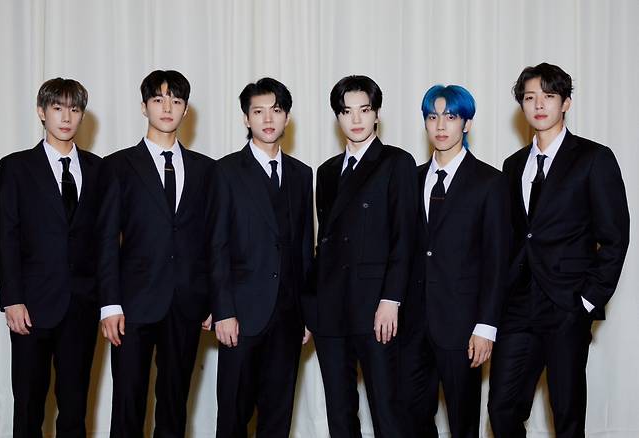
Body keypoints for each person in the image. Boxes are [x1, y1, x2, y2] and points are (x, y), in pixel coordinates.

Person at [488, 62, 630, 438]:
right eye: (530, 97)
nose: (539, 105)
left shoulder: (594, 158)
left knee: (566, 412)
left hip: (567, 303)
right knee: (502, 407)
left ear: (565, 103)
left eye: (549, 96)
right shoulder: (512, 165)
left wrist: (587, 300)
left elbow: (615, 237)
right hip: (518, 304)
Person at [97, 70, 214, 437]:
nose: (167, 108)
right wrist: (109, 304)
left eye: (176, 101)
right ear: (144, 106)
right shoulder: (117, 165)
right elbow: (105, 238)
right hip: (132, 303)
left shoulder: (205, 169)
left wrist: (211, 299)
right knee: (128, 402)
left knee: (174, 403)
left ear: (186, 110)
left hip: (186, 302)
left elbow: (211, 239)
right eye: (159, 100)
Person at [0, 77, 101, 437]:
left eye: (74, 109)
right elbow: (6, 236)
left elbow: (104, 239)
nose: (66, 117)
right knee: (28, 406)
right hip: (31, 307)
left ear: (82, 115)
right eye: (57, 108)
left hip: (82, 306)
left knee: (75, 408)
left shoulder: (98, 169)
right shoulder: (15, 167)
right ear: (42, 112)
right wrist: (12, 299)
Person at [399, 84, 510, 437]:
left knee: (463, 422)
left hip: (463, 325)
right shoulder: (410, 179)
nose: (441, 125)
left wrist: (486, 326)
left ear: (467, 123)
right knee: (412, 419)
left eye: (450, 116)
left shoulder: (491, 182)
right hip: (412, 324)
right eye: (433, 117)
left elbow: (497, 260)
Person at [310, 75, 417, 437]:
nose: (355, 119)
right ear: (337, 117)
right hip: (330, 309)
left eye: (364, 109)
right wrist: (312, 306)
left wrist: (391, 299)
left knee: (388, 411)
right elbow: (324, 244)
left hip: (376, 309)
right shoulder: (326, 172)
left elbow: (405, 237)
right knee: (339, 414)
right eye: (346, 111)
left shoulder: (397, 162)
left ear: (377, 114)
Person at [208, 77, 314, 438]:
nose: (268, 119)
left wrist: (306, 313)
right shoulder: (225, 171)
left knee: (278, 418)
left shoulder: (302, 174)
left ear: (287, 117)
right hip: (240, 315)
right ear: (246, 118)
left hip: (287, 318)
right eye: (258, 111)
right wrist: (224, 310)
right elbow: (217, 245)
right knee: (233, 417)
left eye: (276, 110)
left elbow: (304, 247)